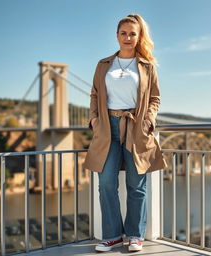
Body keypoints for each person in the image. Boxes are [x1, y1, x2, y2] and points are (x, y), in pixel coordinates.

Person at [83, 13, 167, 252]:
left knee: (136, 184)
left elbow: (155, 98)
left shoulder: (147, 66)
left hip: (136, 127)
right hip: (107, 128)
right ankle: (111, 235)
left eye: (133, 33)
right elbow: (95, 95)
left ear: (139, 37)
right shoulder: (103, 64)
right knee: (106, 183)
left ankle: (134, 235)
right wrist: (95, 119)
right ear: (117, 36)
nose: (128, 37)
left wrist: (148, 120)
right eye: (123, 33)